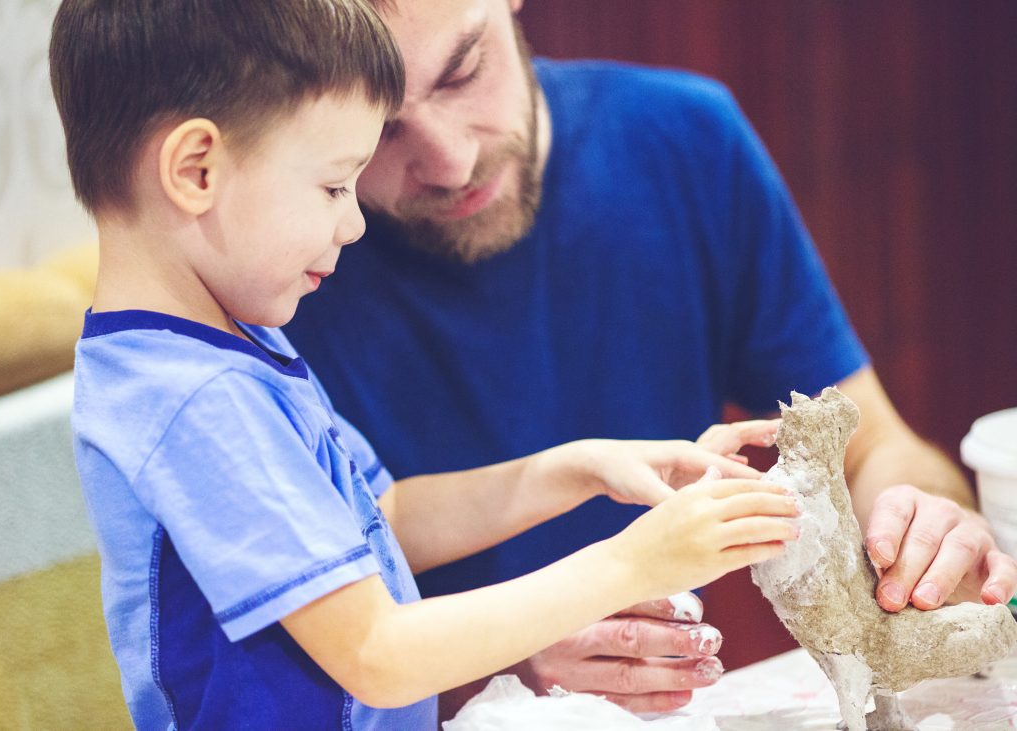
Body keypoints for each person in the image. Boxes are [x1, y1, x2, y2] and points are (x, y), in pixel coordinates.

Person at [51, 1, 802, 727]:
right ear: (197, 170)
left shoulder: (226, 346)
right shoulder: (194, 398)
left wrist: (578, 470)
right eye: (333, 185)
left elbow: (385, 518)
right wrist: (633, 562)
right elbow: (379, 652)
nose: (351, 223)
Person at [282, 0, 1017, 717]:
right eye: (378, 128)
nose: (451, 161)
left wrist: (925, 525)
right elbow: (270, 643)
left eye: (463, 71)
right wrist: (498, 663)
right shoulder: (273, 271)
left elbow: (871, 448)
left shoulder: (683, 140)